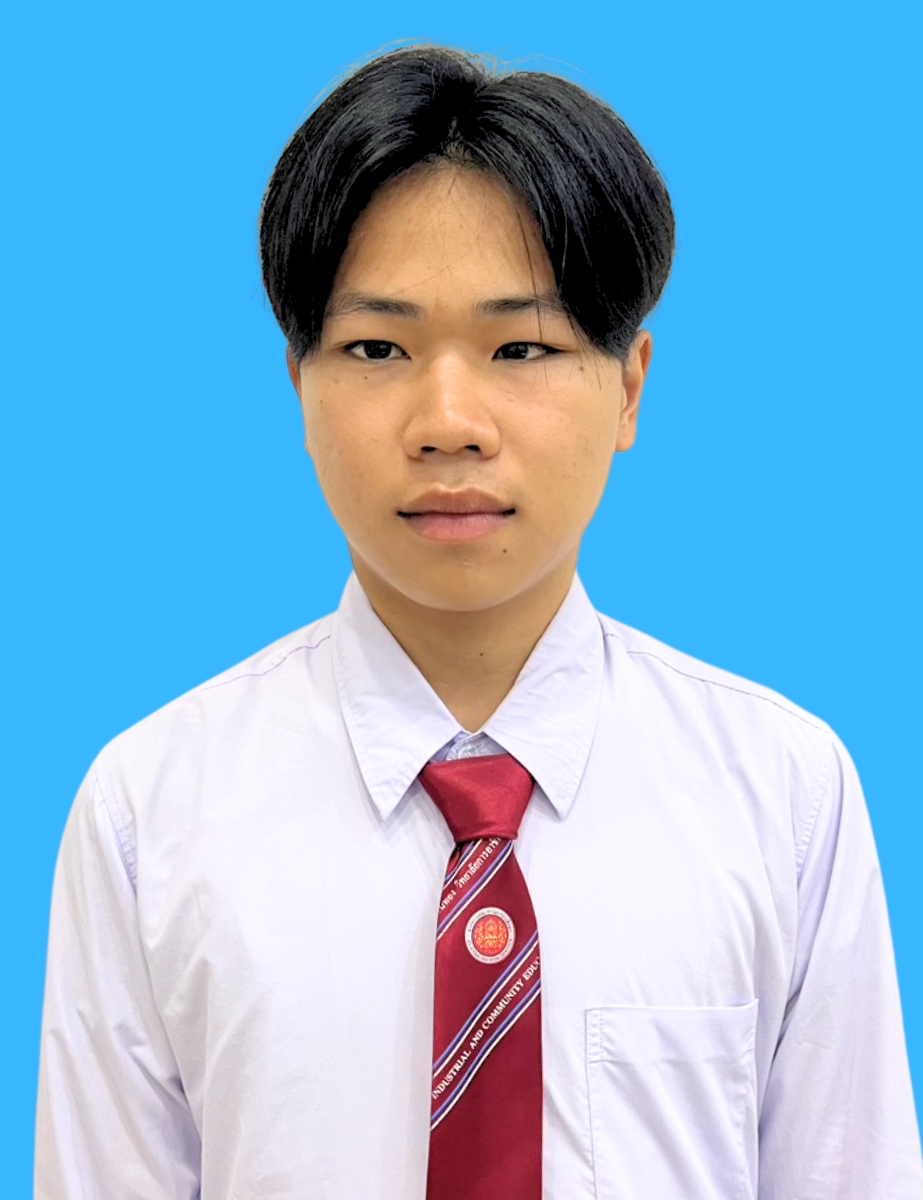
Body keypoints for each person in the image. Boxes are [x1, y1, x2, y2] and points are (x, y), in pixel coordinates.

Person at [35, 43, 921, 1200]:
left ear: (629, 387)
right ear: (298, 385)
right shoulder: (150, 813)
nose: (447, 420)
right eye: (376, 348)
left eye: (520, 347)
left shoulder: (782, 795)